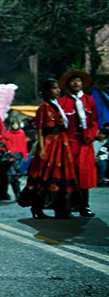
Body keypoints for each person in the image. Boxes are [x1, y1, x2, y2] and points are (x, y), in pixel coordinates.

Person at [18, 79, 82, 218]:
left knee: (62, 174)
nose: (58, 90)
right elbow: (40, 130)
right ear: (47, 91)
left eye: (58, 88)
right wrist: (41, 148)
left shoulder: (57, 106)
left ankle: (61, 208)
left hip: (61, 143)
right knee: (45, 174)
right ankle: (37, 208)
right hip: (50, 144)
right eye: (54, 88)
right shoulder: (44, 108)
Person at [57, 70, 98, 217]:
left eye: (78, 81)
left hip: (85, 143)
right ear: (68, 85)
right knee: (69, 175)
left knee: (84, 175)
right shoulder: (62, 102)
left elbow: (94, 122)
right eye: (73, 81)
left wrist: (91, 136)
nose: (76, 83)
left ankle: (84, 206)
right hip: (69, 143)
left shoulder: (89, 100)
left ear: (82, 84)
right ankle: (68, 205)